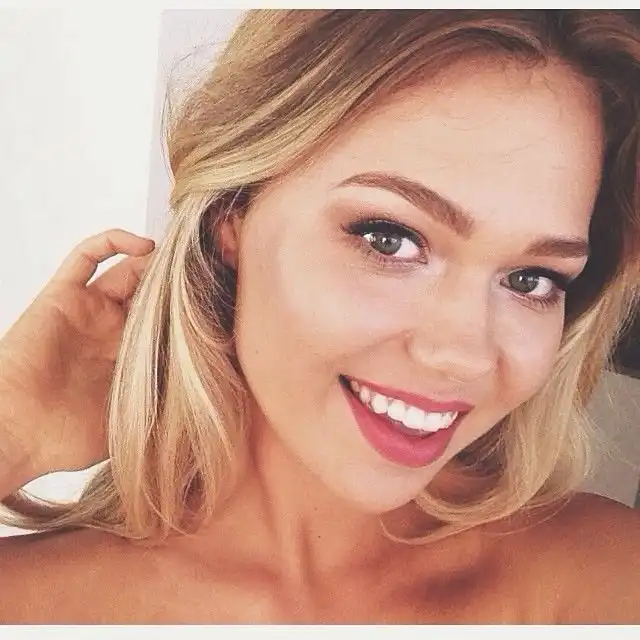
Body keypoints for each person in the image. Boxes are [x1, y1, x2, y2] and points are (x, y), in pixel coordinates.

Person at [0, 9, 639, 624]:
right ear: (232, 213)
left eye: (531, 280)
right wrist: (11, 426)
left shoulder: (607, 582)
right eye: (390, 239)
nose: (463, 354)